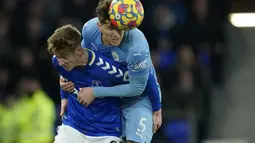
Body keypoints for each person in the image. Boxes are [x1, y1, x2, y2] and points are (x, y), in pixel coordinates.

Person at [60, 0, 162, 143]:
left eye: (120, 29)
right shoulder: (90, 31)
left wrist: (157, 107)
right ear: (99, 26)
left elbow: (139, 86)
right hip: (109, 97)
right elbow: (76, 63)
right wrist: (64, 90)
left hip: (137, 98)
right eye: (110, 28)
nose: (116, 34)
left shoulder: (136, 47)